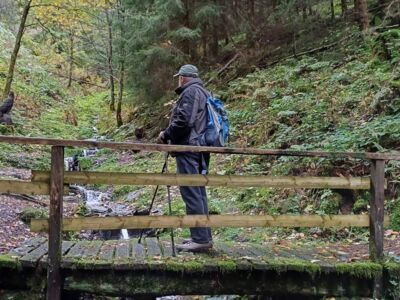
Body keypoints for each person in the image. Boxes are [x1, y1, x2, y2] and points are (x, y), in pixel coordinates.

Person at [158, 64, 212, 252]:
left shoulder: (190, 93)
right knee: (198, 192)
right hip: (200, 148)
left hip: (189, 149)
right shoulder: (203, 92)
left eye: (178, 77)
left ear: (182, 78)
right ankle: (202, 237)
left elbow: (184, 121)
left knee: (191, 192)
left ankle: (201, 239)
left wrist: (166, 134)